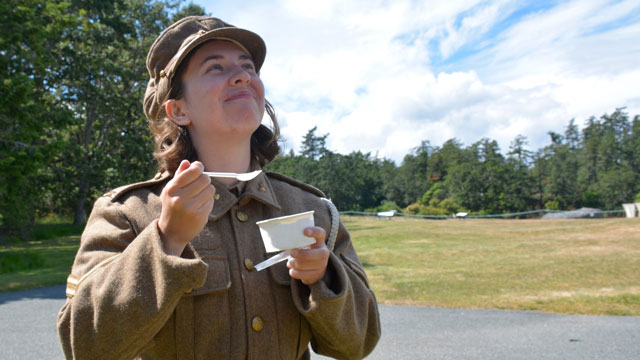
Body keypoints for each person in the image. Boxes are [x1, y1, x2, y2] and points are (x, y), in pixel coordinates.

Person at [57, 16, 381, 359]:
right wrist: (166, 239)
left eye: (248, 66)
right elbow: (85, 347)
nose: (243, 75)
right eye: (215, 68)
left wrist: (324, 277)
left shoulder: (314, 209)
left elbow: (359, 343)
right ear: (179, 110)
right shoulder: (126, 213)